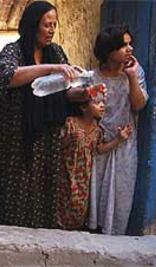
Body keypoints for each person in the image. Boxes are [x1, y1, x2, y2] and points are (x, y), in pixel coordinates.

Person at [0, 1, 89, 228]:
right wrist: (51, 68)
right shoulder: (13, 51)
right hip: (15, 136)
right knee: (15, 187)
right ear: (33, 26)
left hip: (46, 136)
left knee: (42, 188)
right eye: (46, 25)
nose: (51, 30)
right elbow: (6, 77)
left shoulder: (57, 52)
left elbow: (66, 92)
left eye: (54, 25)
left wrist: (85, 93)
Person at [89, 25, 148, 235]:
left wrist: (132, 76)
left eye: (130, 43)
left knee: (120, 197)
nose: (130, 48)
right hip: (100, 146)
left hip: (125, 147)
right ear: (108, 50)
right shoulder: (93, 78)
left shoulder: (135, 72)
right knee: (95, 197)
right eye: (123, 45)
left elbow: (139, 105)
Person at [56, 85, 133, 230]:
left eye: (103, 102)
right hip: (66, 174)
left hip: (84, 178)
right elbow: (59, 145)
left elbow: (99, 149)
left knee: (79, 206)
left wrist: (118, 139)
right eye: (97, 102)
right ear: (84, 107)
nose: (102, 105)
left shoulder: (98, 131)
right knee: (63, 202)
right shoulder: (71, 123)